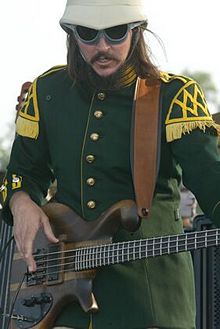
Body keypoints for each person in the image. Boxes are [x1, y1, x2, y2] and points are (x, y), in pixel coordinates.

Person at [1, 1, 220, 328]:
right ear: (72, 35)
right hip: (60, 304)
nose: (102, 47)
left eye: (116, 33)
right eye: (89, 34)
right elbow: (21, 174)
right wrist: (20, 203)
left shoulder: (175, 95)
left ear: (136, 31)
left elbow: (211, 181)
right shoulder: (47, 92)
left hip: (148, 301)